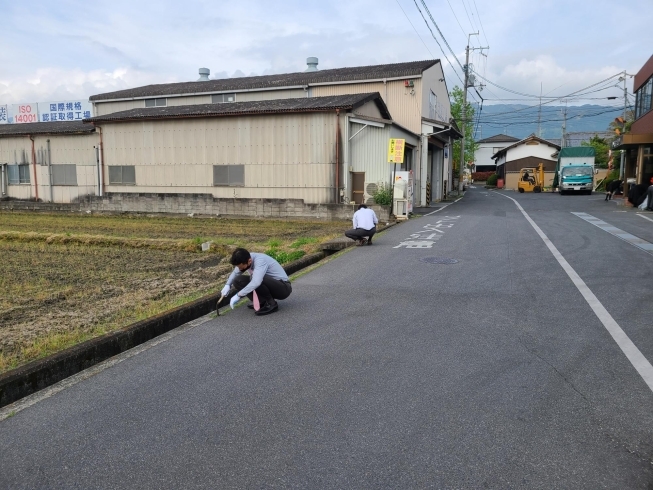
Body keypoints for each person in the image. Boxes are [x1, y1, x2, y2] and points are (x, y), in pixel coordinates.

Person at [218, 248, 292, 316]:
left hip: (283, 288)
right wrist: (227, 285)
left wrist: (238, 295)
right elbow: (235, 273)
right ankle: (261, 302)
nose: (239, 269)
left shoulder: (260, 260)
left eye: (241, 266)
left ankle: (271, 304)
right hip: (270, 285)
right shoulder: (245, 259)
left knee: (254, 278)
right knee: (237, 280)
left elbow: (256, 282)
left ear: (249, 261)